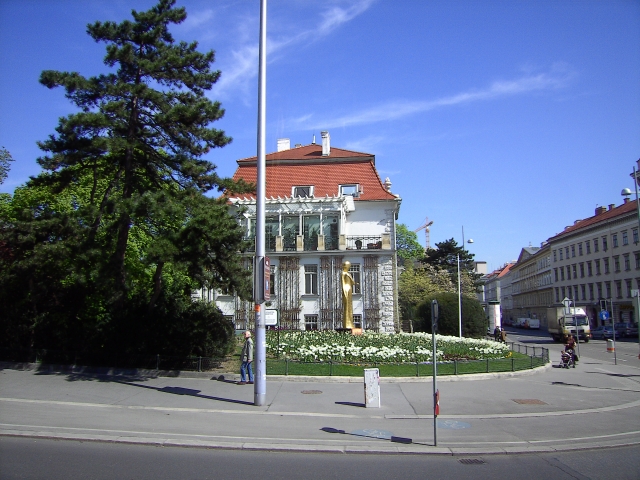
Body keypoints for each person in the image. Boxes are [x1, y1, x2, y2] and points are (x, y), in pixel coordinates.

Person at [341, 261, 356, 329]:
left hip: (349, 289)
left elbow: (352, 282)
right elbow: (343, 283)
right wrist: (344, 291)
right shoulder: (343, 273)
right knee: (346, 306)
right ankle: (347, 324)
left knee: (350, 306)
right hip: (346, 289)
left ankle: (350, 323)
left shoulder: (348, 273)